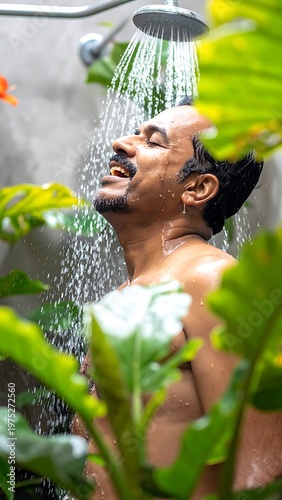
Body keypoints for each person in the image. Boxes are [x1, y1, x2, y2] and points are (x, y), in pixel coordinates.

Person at [72, 98, 282, 499]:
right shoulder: (126, 294)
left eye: (153, 142)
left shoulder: (211, 281)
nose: (121, 143)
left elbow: (260, 470)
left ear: (197, 188)